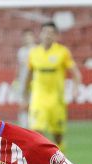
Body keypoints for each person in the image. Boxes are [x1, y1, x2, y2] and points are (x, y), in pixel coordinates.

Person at [21, 21, 81, 149]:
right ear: (40, 34)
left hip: (56, 100)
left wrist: (76, 88)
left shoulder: (62, 52)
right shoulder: (33, 53)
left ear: (56, 36)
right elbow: (28, 76)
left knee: (58, 135)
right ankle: (38, 163)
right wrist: (25, 97)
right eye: (45, 32)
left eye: (51, 33)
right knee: (36, 133)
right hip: (38, 99)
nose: (48, 35)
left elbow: (76, 73)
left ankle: (59, 163)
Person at [14, 29, 36, 128]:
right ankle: (23, 126)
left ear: (33, 38)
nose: (27, 39)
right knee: (23, 104)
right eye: (25, 37)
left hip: (35, 82)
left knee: (34, 105)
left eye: (29, 36)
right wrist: (16, 80)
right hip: (23, 82)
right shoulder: (21, 51)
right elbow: (19, 67)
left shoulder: (37, 50)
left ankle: (34, 125)